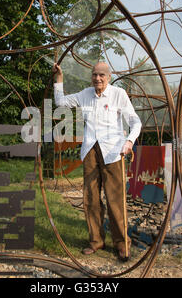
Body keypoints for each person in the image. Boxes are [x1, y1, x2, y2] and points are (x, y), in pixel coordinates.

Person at [52, 61, 142, 261]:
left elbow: (136, 121)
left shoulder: (118, 94)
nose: (97, 78)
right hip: (91, 150)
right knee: (91, 199)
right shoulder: (85, 94)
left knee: (115, 200)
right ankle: (96, 241)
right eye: (94, 75)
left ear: (108, 77)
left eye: (102, 75)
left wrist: (129, 142)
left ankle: (122, 244)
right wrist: (59, 78)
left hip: (113, 152)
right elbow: (60, 103)